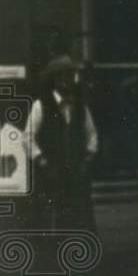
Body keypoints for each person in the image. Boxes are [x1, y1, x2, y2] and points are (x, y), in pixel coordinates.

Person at [23, 55, 99, 232]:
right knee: (51, 219)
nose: (67, 80)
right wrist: (41, 160)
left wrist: (88, 159)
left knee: (80, 219)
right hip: (51, 173)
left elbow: (92, 134)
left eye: (70, 75)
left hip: (76, 172)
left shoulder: (80, 106)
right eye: (62, 76)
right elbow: (27, 137)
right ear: (54, 79)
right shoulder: (41, 106)